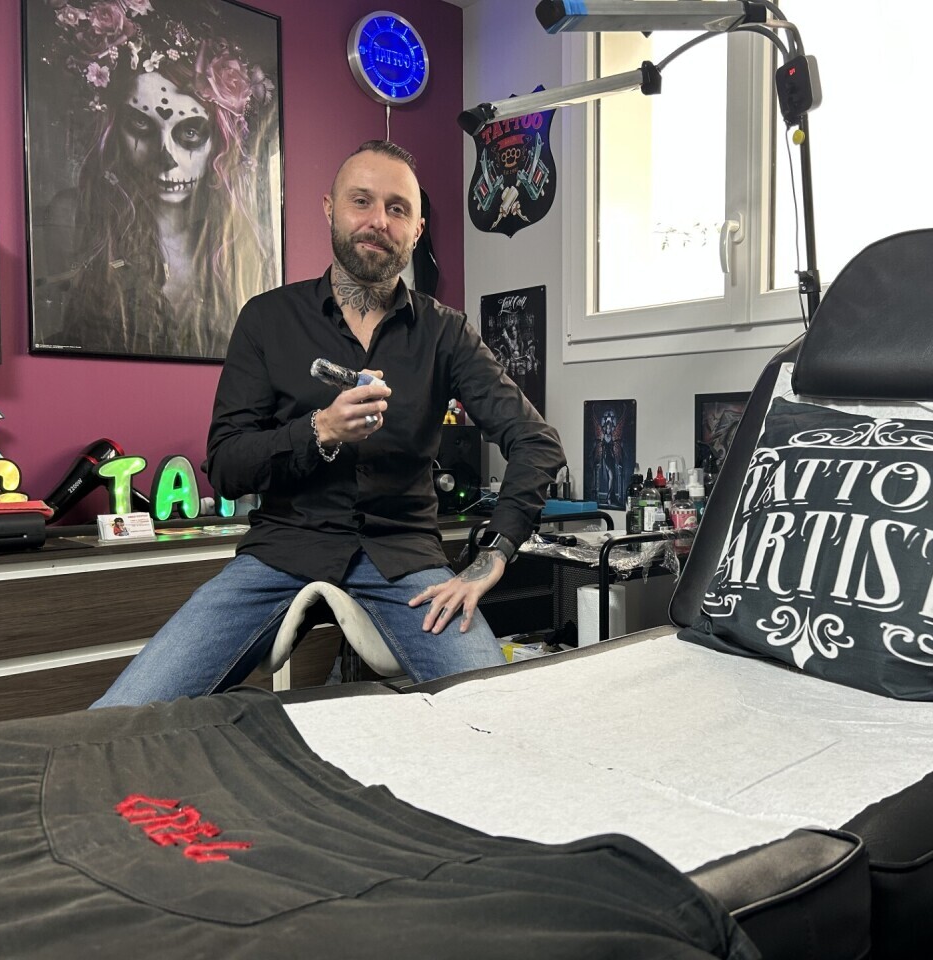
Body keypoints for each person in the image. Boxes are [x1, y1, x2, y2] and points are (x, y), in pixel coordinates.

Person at [93, 140, 565, 707]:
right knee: (122, 714)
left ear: (416, 230)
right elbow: (227, 467)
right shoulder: (267, 319)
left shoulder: (447, 333)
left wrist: (493, 557)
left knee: (494, 711)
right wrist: (318, 432)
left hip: (405, 563)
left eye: (397, 208)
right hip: (280, 553)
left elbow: (536, 442)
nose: (378, 220)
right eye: (361, 201)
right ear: (330, 209)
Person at [33, 0, 279, 359]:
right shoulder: (74, 218)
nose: (166, 158)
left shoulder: (244, 250)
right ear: (114, 133)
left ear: (218, 143)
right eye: (141, 125)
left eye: (190, 132)